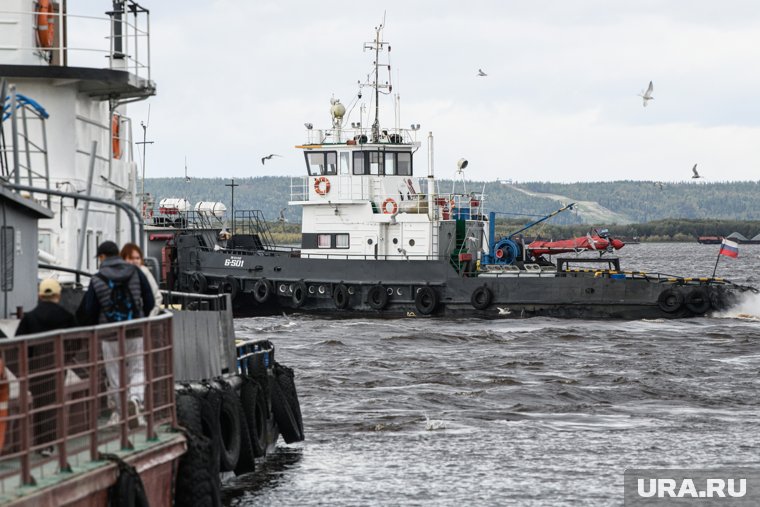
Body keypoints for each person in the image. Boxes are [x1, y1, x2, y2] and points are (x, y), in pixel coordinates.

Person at [77, 240, 154, 427]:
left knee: (114, 375)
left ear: (102, 257)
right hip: (135, 330)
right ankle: (135, 400)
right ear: (118, 254)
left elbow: (90, 311)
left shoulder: (96, 279)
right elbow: (150, 300)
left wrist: (95, 328)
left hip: (109, 334)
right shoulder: (135, 272)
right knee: (138, 369)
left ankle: (122, 415)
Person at [16, 278, 77, 455]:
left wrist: (28, 361)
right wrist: (66, 357)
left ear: (40, 295)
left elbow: (20, 341)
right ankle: (49, 443)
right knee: (53, 403)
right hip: (57, 364)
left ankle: (39, 443)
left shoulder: (30, 317)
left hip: (35, 366)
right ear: (58, 295)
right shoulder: (67, 317)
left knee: (38, 403)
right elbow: (77, 339)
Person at [120, 243, 162, 316]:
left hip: (141, 320)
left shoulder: (144, 272)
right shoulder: (118, 273)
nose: (135, 261)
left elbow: (157, 296)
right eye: (131, 258)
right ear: (123, 259)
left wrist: (149, 316)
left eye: (137, 258)